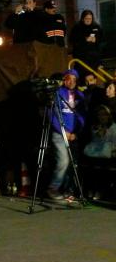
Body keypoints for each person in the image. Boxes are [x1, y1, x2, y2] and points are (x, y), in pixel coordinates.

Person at [47, 69, 85, 200]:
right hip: (59, 133)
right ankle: (53, 188)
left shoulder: (80, 95)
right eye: (69, 78)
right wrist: (64, 131)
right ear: (64, 79)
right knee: (63, 161)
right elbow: (52, 115)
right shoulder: (58, 93)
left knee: (72, 163)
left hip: (73, 135)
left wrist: (76, 132)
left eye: (74, 80)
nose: (72, 82)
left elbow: (81, 116)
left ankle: (68, 190)